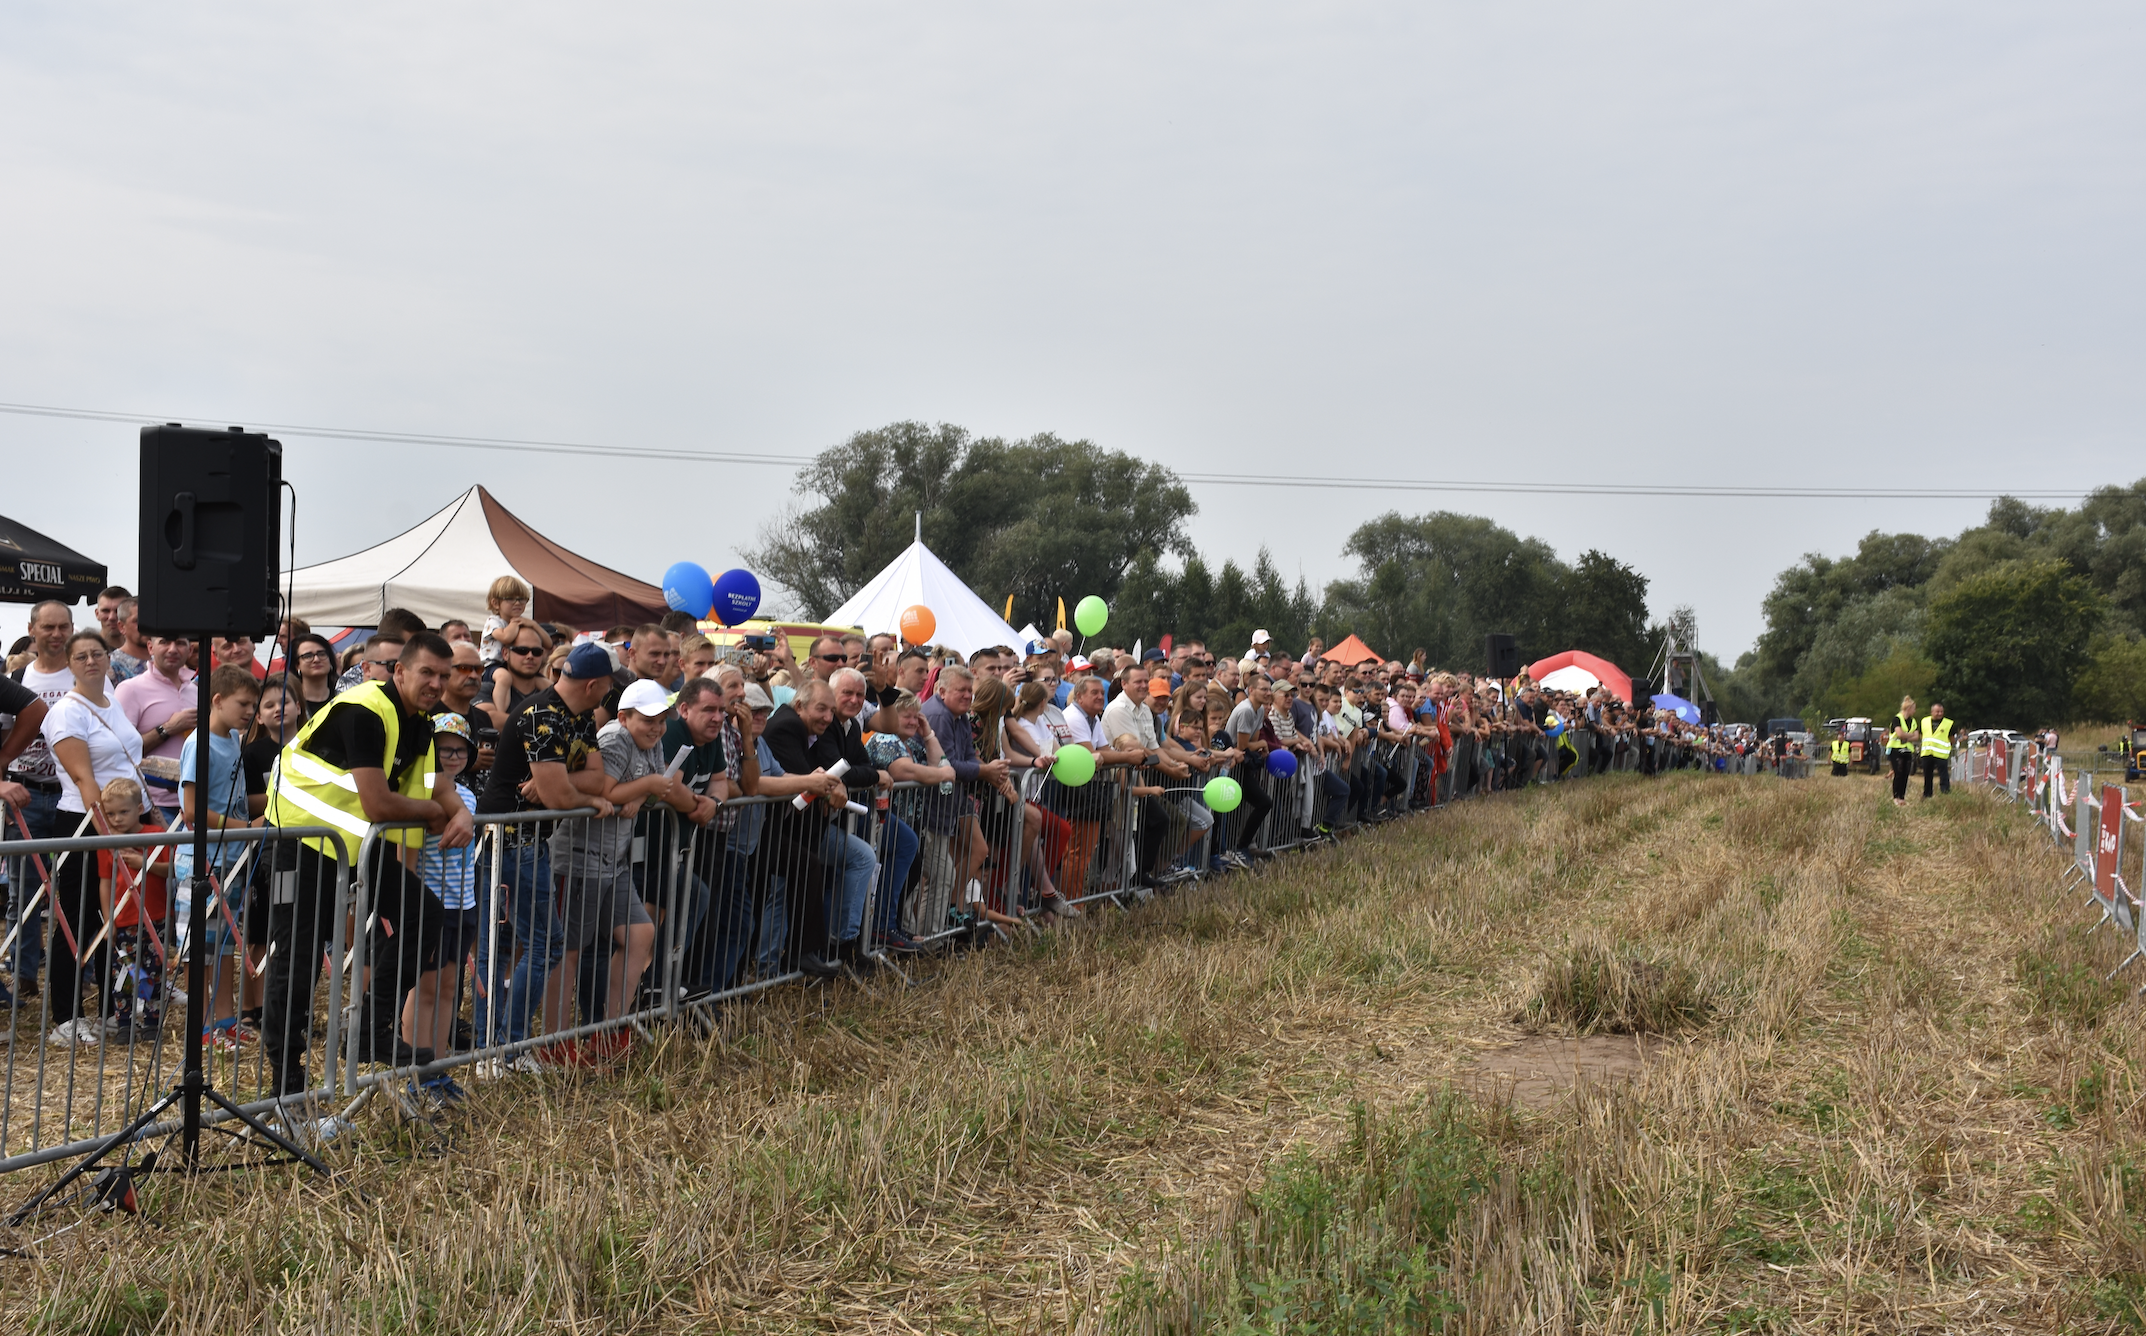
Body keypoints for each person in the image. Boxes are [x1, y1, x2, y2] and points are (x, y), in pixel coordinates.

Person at [261, 632, 472, 1099]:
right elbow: (378, 804)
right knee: (297, 963)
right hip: (299, 842)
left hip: (351, 848)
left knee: (424, 915)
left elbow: (437, 787)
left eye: (444, 675)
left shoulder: (420, 722)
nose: (436, 683)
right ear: (399, 671)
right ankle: (286, 1084)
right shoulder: (365, 708)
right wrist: (438, 814)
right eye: (427, 673)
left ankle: (372, 1031)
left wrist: (461, 812)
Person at [472, 641, 617, 1062]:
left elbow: (598, 778)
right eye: (608, 686)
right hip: (507, 842)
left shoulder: (581, 715)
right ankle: (506, 1046)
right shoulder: (543, 715)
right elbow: (562, 794)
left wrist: (566, 785)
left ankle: (502, 1043)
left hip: (529, 842)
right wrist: (574, 793)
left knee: (529, 945)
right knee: (530, 945)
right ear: (594, 684)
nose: (608, 693)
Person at [543, 680, 690, 1052]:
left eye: (662, 720)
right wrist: (647, 786)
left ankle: (610, 1029)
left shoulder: (651, 742)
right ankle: (553, 1040)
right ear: (624, 717)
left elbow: (655, 789)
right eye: (648, 720)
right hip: (579, 859)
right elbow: (603, 791)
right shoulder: (614, 740)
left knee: (641, 935)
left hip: (615, 860)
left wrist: (643, 791)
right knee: (568, 951)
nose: (657, 728)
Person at [41, 629, 148, 1047]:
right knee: (76, 919)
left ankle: (109, 1008)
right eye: (81, 656)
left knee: (111, 919)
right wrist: (109, 838)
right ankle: (66, 1017)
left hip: (121, 821)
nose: (90, 661)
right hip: (84, 823)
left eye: (97, 654)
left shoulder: (113, 701)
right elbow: (85, 780)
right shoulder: (68, 712)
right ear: (69, 663)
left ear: (108, 658)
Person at [177, 665, 263, 1041]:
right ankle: (201, 1024)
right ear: (217, 700)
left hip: (230, 857)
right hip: (205, 860)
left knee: (225, 942)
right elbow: (192, 811)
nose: (250, 711)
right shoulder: (200, 743)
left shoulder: (231, 739)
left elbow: (235, 799)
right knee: (202, 948)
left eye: (253, 704)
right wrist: (247, 828)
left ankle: (224, 1020)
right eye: (243, 703)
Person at [402, 713, 482, 1111]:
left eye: (460, 749)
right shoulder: (421, 792)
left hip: (463, 902)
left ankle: (438, 1070)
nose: (452, 756)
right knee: (426, 990)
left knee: (450, 989)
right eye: (443, 748)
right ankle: (417, 1073)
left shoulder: (466, 795)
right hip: (431, 903)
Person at [4, 600, 74, 998]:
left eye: (63, 627)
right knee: (23, 891)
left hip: (69, 796)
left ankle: (74, 972)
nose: (56, 634)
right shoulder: (17, 675)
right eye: (48, 627)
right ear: (32, 629)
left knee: (73, 892)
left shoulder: (84, 671)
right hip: (25, 793)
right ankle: (24, 974)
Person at [95, 776, 170, 1042]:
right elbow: (105, 882)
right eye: (110, 814)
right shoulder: (107, 843)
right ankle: (125, 1022)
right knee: (123, 974)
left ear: (140, 808)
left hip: (155, 917)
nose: (116, 819)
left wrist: (143, 862)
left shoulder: (157, 836)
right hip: (122, 918)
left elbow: (170, 871)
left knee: (154, 973)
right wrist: (109, 920)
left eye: (123, 812)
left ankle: (151, 1021)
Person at [289, 633, 339, 716]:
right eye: (308, 656)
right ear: (297, 665)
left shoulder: (344, 695)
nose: (316, 659)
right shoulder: (291, 702)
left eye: (322, 654)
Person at [1886, 695, 1919, 807]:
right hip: (1895, 749)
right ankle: (1895, 797)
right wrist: (1909, 735)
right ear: (1908, 708)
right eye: (1914, 708)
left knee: (1905, 774)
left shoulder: (1914, 721)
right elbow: (1899, 734)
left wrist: (1906, 737)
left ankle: (1902, 797)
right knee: (1898, 773)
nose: (1915, 710)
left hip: (1907, 750)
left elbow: (1916, 736)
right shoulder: (1897, 719)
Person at [107, 597, 149, 683]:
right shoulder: (111, 666)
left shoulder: (165, 660)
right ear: (122, 627)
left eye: (151, 620)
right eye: (138, 621)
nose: (146, 626)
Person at [1919, 702, 1955, 799]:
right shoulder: (1924, 721)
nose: (1939, 713)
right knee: (1927, 775)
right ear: (1932, 712)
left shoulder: (1949, 723)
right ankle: (1927, 794)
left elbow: (1952, 739)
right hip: (1927, 753)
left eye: (1941, 711)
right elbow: (1922, 735)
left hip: (1941, 754)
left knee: (1943, 774)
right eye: (1937, 711)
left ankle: (1945, 792)